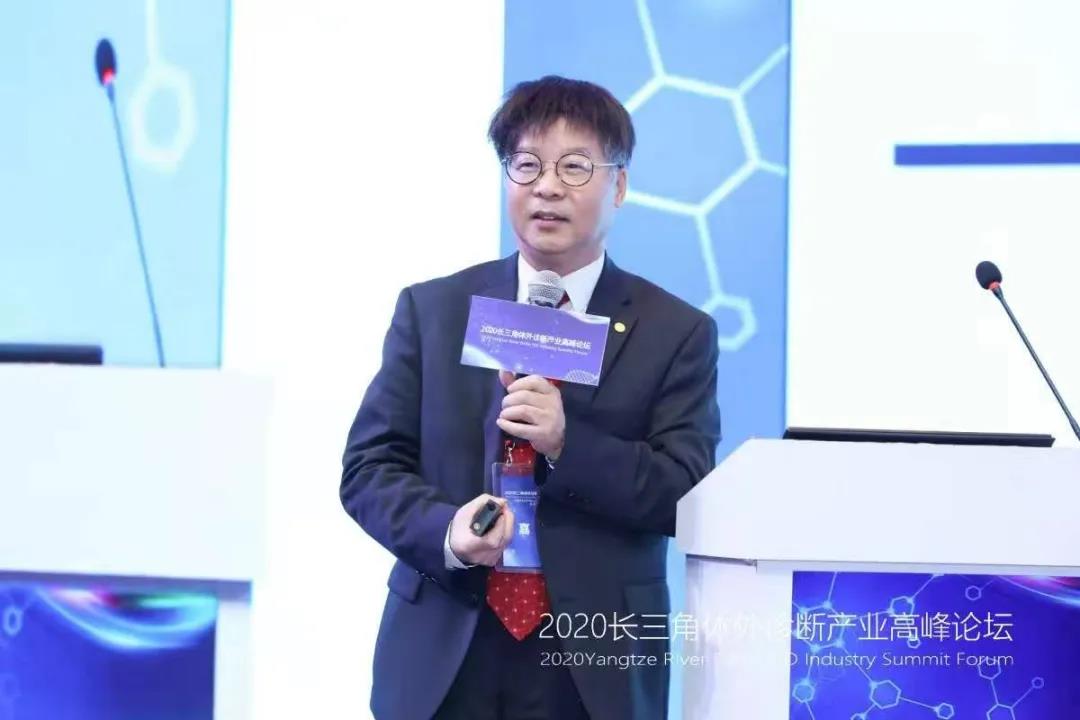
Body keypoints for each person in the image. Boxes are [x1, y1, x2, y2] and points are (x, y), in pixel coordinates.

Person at [341, 75, 721, 720]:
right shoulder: (435, 310)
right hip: (447, 644)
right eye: (526, 165)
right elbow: (369, 469)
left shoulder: (675, 332)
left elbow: (683, 493)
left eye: (574, 167)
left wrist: (570, 444)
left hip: (591, 663)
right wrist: (448, 532)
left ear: (619, 186)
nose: (547, 186)